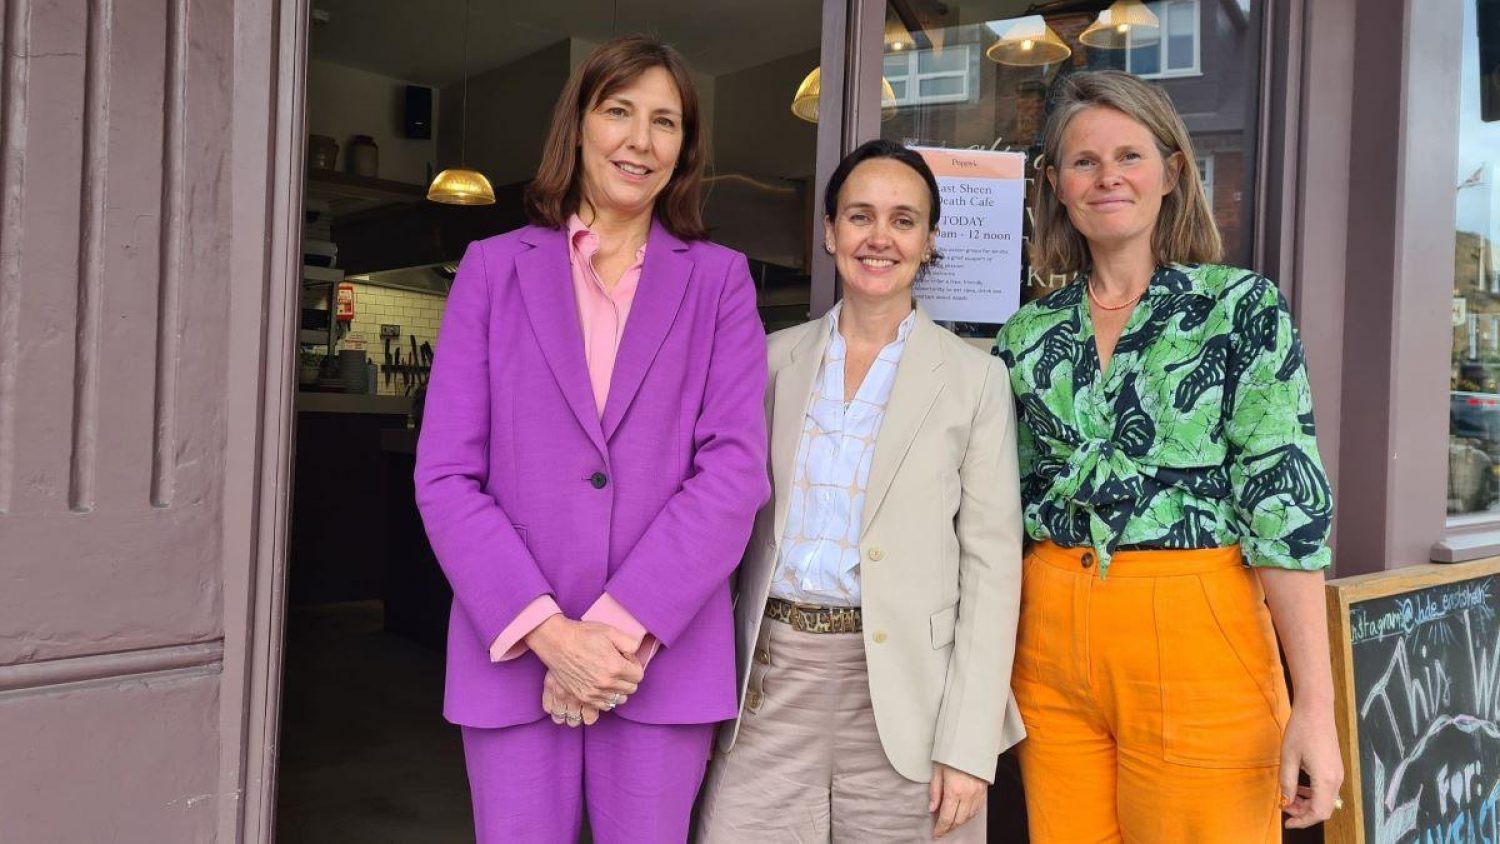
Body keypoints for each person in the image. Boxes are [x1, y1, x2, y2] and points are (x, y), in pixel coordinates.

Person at [413, 35, 769, 843]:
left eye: (666, 122)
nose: (641, 141)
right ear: (578, 126)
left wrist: (609, 635)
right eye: (619, 112)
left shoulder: (719, 282)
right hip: (512, 658)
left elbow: (734, 471)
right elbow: (445, 476)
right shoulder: (491, 270)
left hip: (660, 664)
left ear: (685, 149)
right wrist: (549, 633)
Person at [993, 70, 1343, 842]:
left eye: (1130, 155)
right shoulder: (1026, 334)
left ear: (1172, 171)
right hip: (1047, 633)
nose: (1108, 176)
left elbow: (1283, 512)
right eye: (1083, 162)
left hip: (1196, 628)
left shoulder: (1239, 307)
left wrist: (1315, 708)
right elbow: (997, 510)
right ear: (1055, 184)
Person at [697, 139, 1026, 842]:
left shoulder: (975, 380)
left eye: (904, 220)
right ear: (829, 231)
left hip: (910, 700)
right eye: (860, 216)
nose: (880, 238)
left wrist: (969, 747)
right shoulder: (769, 360)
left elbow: (992, 570)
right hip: (770, 683)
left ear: (930, 241)